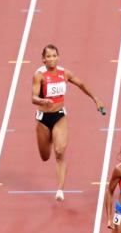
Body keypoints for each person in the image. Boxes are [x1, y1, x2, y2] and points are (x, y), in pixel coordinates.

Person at [31, 44, 106, 201]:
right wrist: (43, 101)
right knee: (45, 157)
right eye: (49, 56)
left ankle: (60, 190)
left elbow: (81, 84)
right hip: (43, 119)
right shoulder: (39, 75)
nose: (52, 59)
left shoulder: (64, 73)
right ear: (43, 59)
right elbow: (33, 98)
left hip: (59, 116)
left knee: (59, 152)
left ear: (58, 57)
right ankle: (49, 138)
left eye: (54, 56)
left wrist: (95, 99)